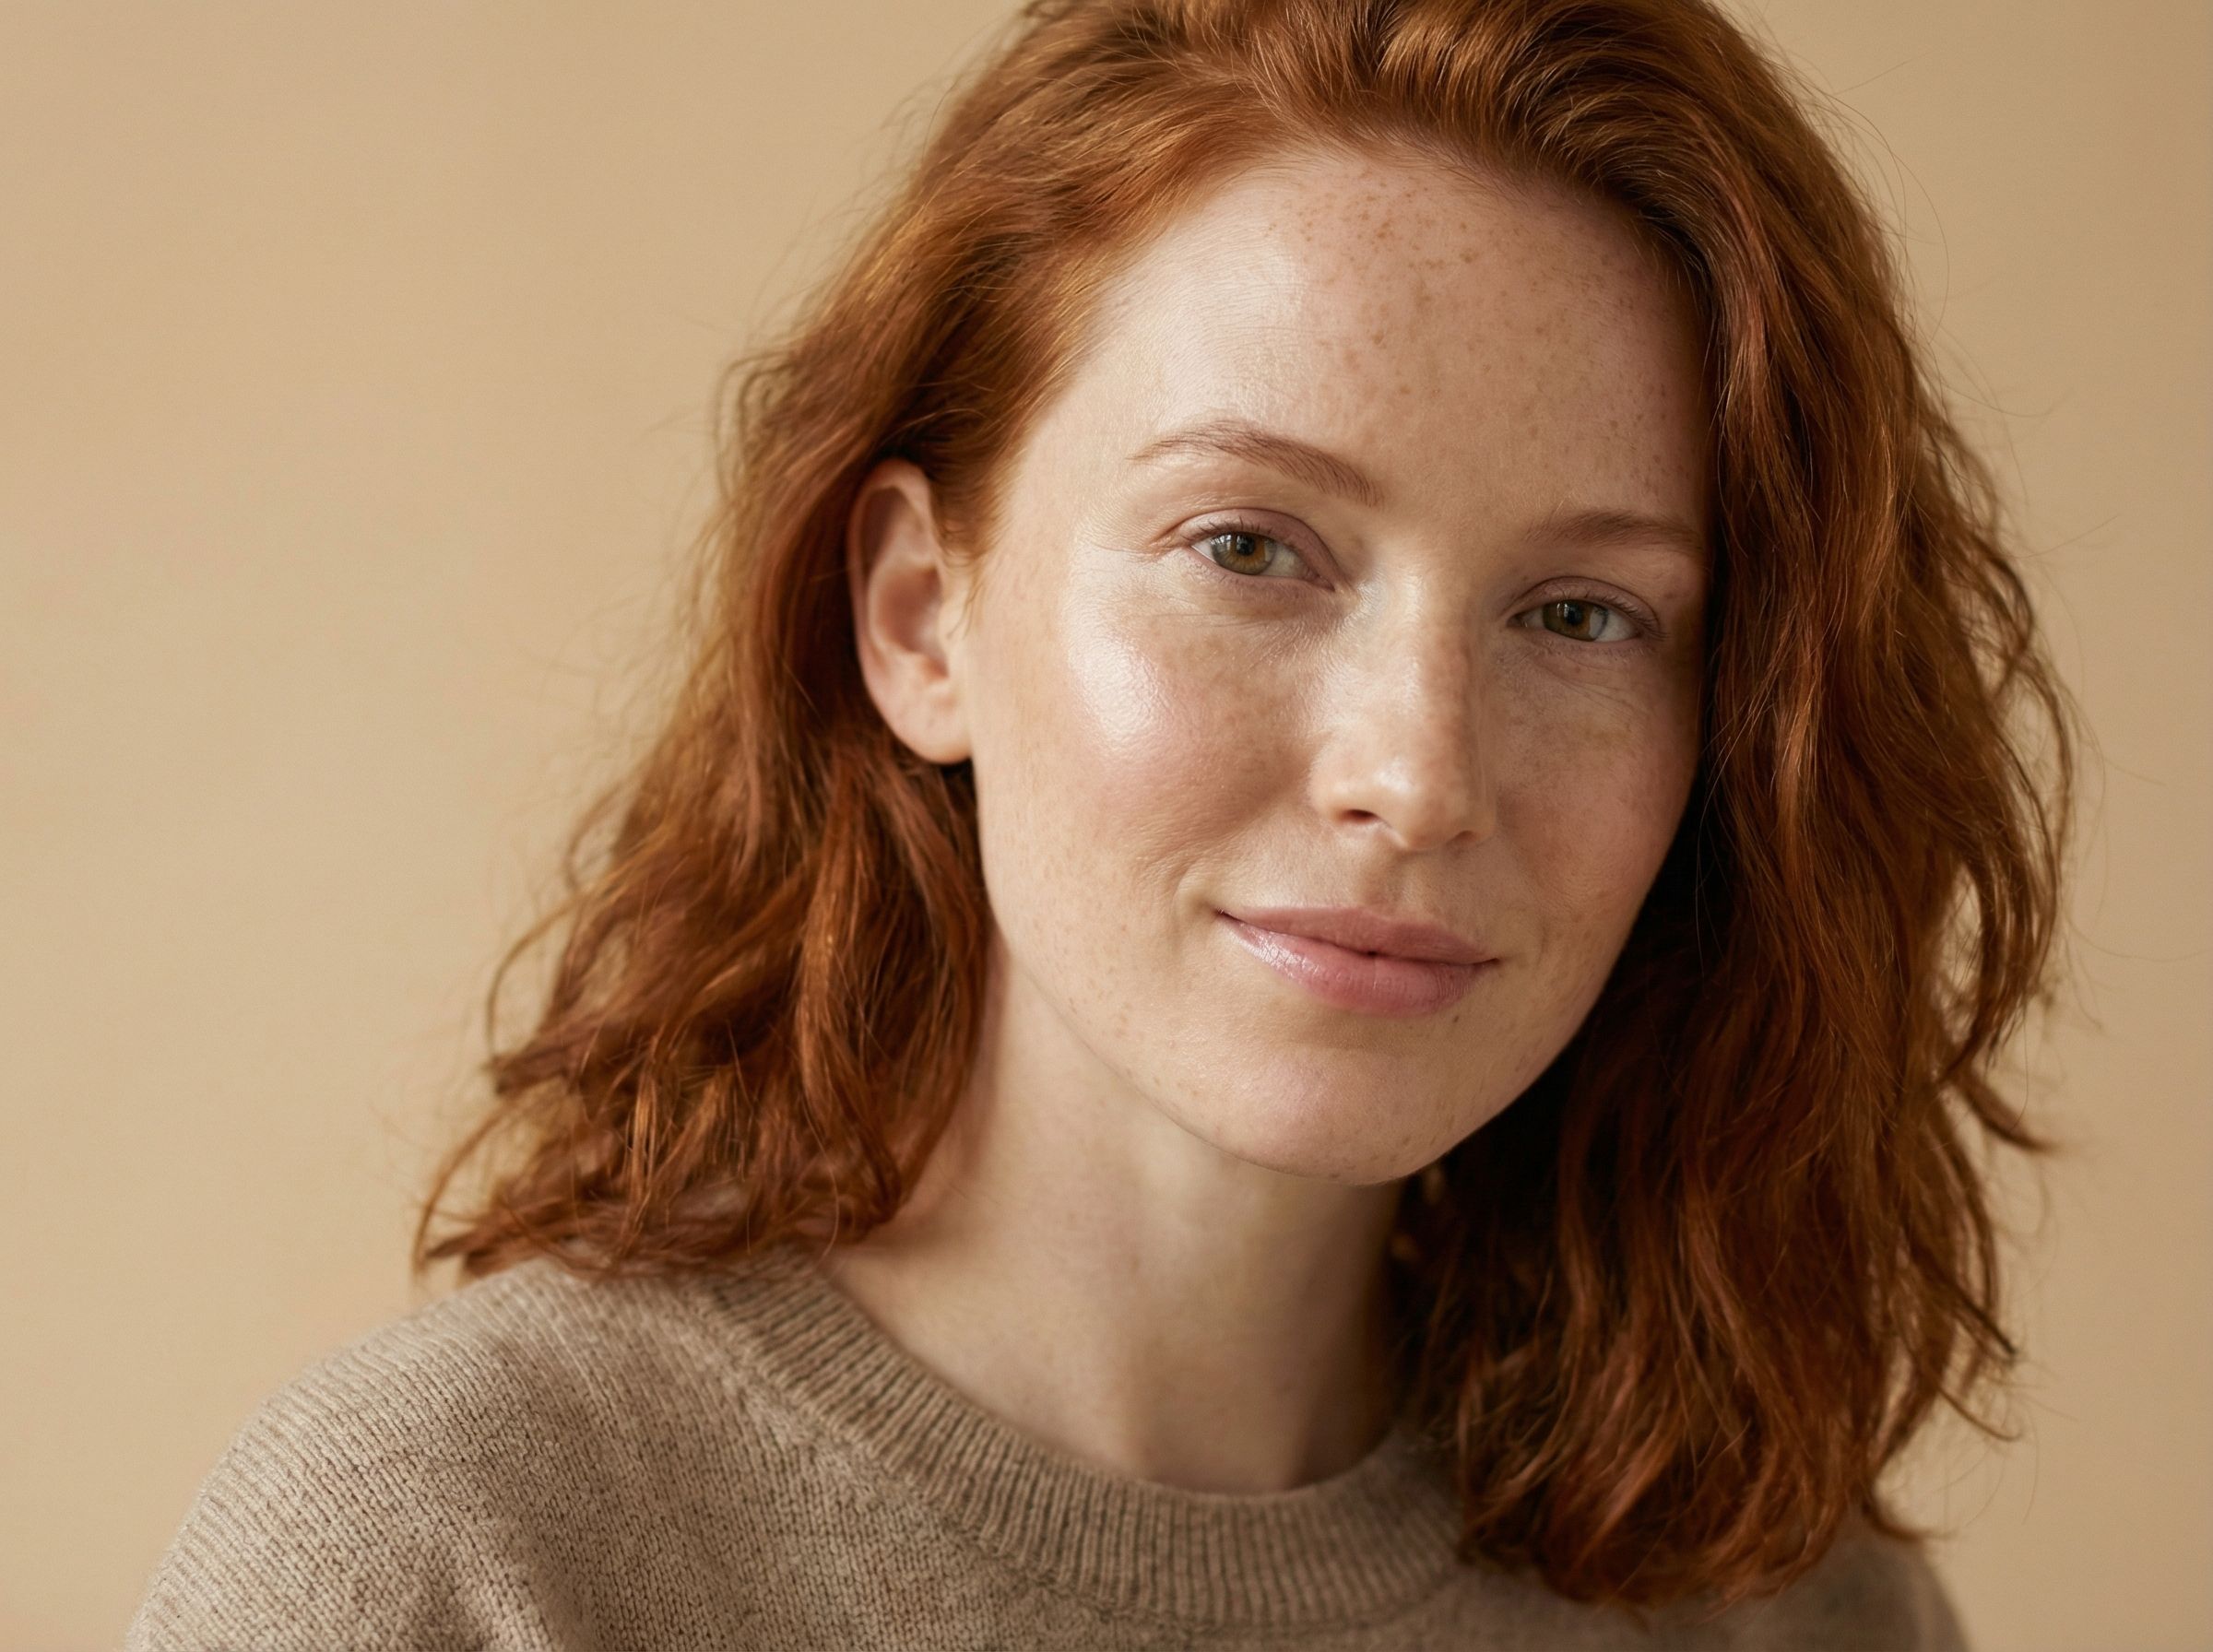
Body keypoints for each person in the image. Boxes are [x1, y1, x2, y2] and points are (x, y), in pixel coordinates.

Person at [127, 0, 2079, 1646]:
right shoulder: (459, 1554)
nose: (1420, 772)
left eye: (1583, 613)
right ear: (918, 614)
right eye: (1250, 547)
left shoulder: (1789, 1595)